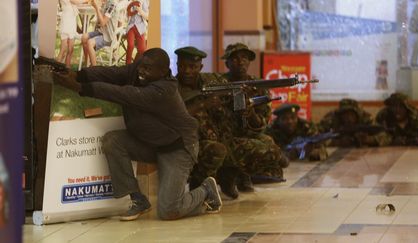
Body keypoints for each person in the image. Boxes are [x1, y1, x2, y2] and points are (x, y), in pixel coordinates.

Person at [53, 48, 222, 221]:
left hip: (178, 147)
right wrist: (78, 74)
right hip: (151, 143)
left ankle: (206, 190)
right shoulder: (137, 70)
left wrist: (80, 87)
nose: (141, 71)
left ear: (163, 72)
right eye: (141, 66)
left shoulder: (164, 90)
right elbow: (110, 73)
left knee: (169, 210)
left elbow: (123, 94)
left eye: (148, 69)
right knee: (113, 141)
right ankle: (138, 200)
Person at [215, 43, 287, 199]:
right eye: (234, 59)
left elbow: (262, 123)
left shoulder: (258, 86)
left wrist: (251, 112)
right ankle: (227, 175)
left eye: (244, 58)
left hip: (248, 133)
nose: (240, 62)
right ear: (227, 63)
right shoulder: (219, 84)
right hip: (225, 136)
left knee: (269, 144)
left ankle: (244, 173)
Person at [174, 46, 228, 190]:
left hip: (213, 138)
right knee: (217, 150)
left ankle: (230, 177)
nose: (187, 71)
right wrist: (203, 104)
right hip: (184, 144)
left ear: (200, 67)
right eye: (182, 66)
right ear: (177, 65)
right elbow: (174, 117)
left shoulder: (210, 82)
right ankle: (198, 188)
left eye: (192, 67)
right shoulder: (171, 87)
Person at [319, 98, 391, 147]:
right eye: (345, 114)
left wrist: (369, 139)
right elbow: (315, 137)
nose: (348, 118)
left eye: (351, 114)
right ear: (340, 115)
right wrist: (336, 142)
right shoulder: (332, 119)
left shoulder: (366, 119)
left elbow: (387, 136)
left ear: (357, 114)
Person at [81, 0, 118, 66]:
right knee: (84, 37)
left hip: (109, 36)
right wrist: (97, 7)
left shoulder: (112, 5)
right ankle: (88, 64)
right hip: (101, 31)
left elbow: (103, 23)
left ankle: (94, 70)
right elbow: (100, 22)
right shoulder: (105, 3)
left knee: (90, 43)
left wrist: (97, 8)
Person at [57, 0, 88, 68]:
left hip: (71, 21)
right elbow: (75, 1)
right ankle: (55, 69)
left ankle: (67, 68)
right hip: (67, 22)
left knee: (70, 49)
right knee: (63, 49)